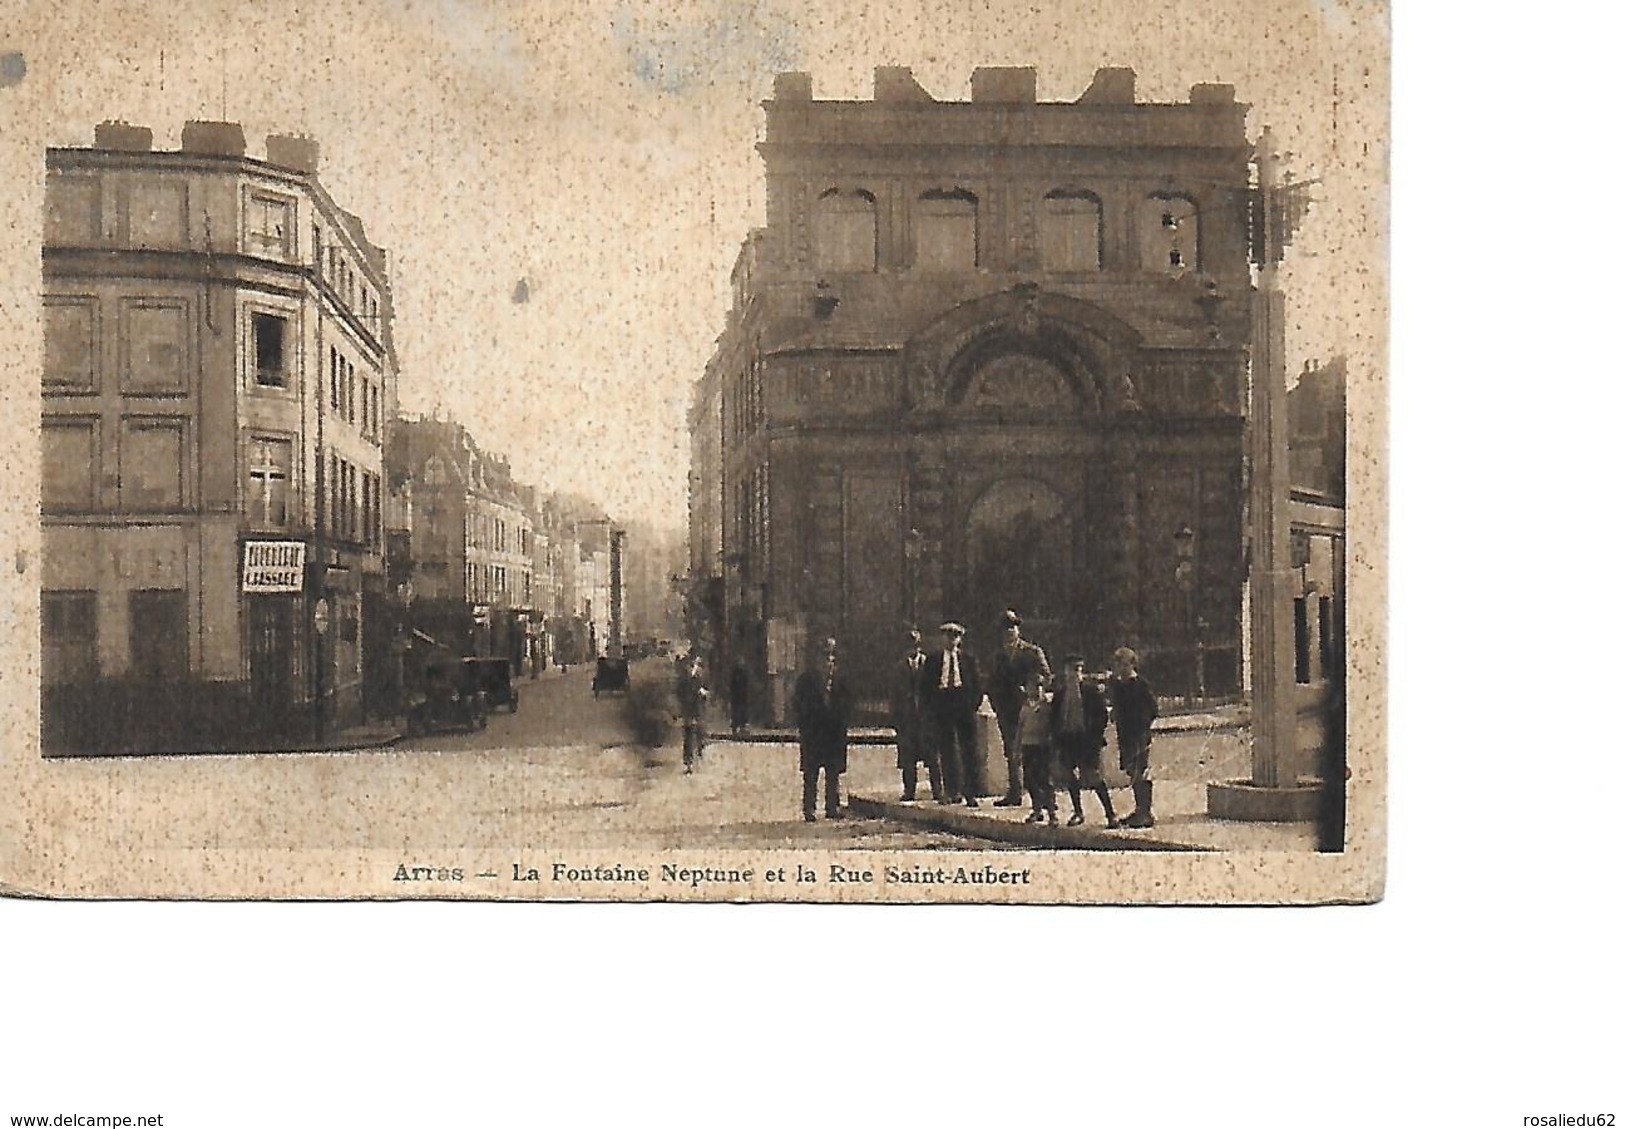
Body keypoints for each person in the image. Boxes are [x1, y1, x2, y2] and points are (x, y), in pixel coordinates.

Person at [988, 608, 1051, 807]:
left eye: (1012, 627)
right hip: (1007, 710)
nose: (1009, 631)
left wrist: (1033, 688)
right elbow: (992, 682)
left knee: (1036, 752)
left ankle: (1045, 797)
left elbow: (1047, 675)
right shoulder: (999, 656)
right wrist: (996, 704)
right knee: (1011, 751)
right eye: (1005, 628)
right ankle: (1015, 792)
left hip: (1030, 709)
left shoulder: (1032, 652)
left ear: (1018, 629)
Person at [919, 621, 984, 807]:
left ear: (960, 639)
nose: (951, 640)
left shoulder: (968, 660)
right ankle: (952, 791)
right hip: (942, 705)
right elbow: (925, 688)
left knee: (968, 751)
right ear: (942, 638)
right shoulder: (933, 660)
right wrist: (931, 709)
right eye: (947, 636)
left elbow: (977, 686)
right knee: (947, 751)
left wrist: (972, 706)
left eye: (955, 636)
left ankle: (970, 793)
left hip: (963, 706)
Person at [1052, 653, 1117, 828]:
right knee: (1069, 775)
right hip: (1068, 739)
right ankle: (1078, 812)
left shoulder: (1091, 691)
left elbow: (1102, 715)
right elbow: (1054, 718)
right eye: (1071, 669)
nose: (1075, 674)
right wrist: (1056, 739)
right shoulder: (1060, 695)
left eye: (1078, 669)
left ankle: (1110, 814)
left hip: (1086, 739)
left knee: (1093, 776)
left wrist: (1095, 736)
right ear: (1065, 671)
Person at [792, 637, 854, 821]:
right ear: (817, 658)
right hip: (813, 732)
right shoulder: (806, 680)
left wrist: (841, 720)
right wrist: (806, 724)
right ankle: (809, 808)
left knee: (833, 772)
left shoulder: (841, 679)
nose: (829, 659)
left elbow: (848, 703)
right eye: (825, 655)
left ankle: (831, 806)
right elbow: (798, 704)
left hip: (834, 732)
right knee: (811, 773)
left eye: (832, 655)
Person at [1108, 646, 1159, 828]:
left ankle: (1145, 813)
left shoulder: (1140, 684)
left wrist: (1141, 723)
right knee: (1132, 772)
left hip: (1139, 734)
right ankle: (1139, 810)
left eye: (1122, 664)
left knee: (1140, 772)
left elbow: (1153, 709)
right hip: (1125, 735)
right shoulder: (1117, 686)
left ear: (1131, 664)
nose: (1119, 668)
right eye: (1116, 664)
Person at [890, 628, 941, 802]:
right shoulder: (898, 668)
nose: (914, 648)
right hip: (908, 719)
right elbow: (894, 696)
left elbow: (936, 692)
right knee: (908, 759)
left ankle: (938, 790)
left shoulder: (929, 665)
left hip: (926, 719)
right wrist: (896, 720)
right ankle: (909, 791)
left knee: (933, 757)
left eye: (917, 645)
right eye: (911, 645)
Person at [1015, 671, 1057, 826]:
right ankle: (1037, 809)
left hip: (1042, 746)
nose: (1037, 689)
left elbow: (1052, 726)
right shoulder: (1025, 707)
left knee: (1045, 779)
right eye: (1033, 686)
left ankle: (1052, 813)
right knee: (1030, 779)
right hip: (1028, 746)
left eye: (1040, 686)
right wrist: (1016, 749)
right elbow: (1020, 729)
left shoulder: (1047, 705)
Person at [675, 651, 709, 774]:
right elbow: (679, 692)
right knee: (688, 736)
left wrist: (703, 692)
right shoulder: (684, 678)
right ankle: (689, 762)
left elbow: (707, 689)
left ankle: (699, 753)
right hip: (689, 710)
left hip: (697, 709)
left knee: (699, 732)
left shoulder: (700, 676)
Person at [729, 658, 750, 736]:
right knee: (737, 712)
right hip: (738, 695)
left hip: (740, 695)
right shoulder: (737, 673)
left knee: (740, 711)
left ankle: (740, 727)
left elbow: (745, 684)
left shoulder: (742, 673)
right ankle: (737, 727)